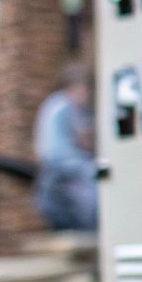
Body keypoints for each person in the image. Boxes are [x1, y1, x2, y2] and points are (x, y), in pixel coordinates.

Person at [34, 63, 98, 232]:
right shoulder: (64, 107)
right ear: (75, 87)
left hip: (53, 175)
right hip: (63, 173)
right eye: (85, 89)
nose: (87, 94)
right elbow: (79, 141)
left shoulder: (57, 105)